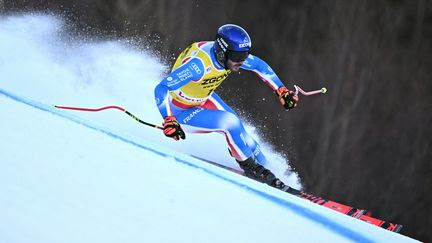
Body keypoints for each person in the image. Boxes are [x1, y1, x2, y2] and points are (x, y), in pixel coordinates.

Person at [154, 24, 299, 190]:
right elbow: (161, 88)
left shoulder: (229, 57)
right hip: (180, 112)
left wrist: (281, 90)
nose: (242, 61)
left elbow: (259, 66)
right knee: (230, 123)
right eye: (238, 56)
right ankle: (251, 168)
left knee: (245, 136)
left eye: (244, 55)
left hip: (202, 98)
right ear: (222, 52)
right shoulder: (198, 66)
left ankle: (271, 172)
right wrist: (169, 119)